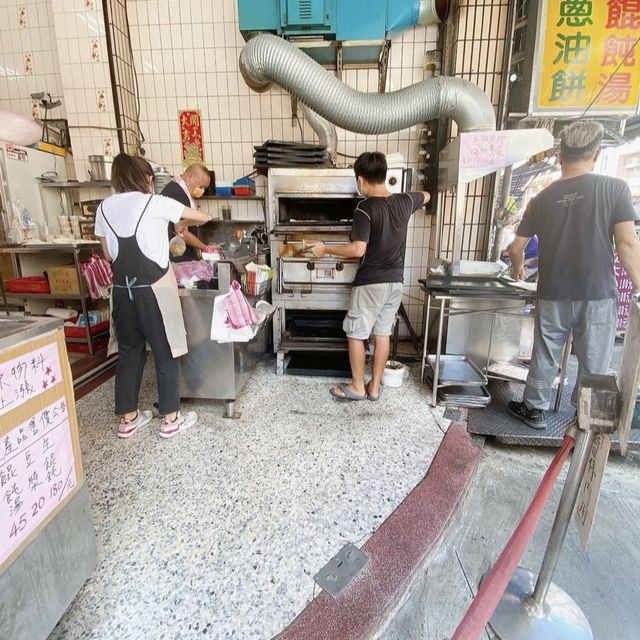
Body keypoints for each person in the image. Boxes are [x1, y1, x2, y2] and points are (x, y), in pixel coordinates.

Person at [508, 121, 640, 430]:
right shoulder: (614, 189)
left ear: (560, 156)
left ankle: (534, 409)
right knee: (594, 360)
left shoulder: (541, 200)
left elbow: (516, 248)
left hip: (553, 290)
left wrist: (519, 269)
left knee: (545, 351)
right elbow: (627, 243)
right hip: (597, 292)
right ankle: (585, 417)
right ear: (596, 153)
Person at [95, 153, 211, 438]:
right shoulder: (156, 202)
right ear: (147, 178)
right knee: (166, 351)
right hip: (156, 291)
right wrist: (187, 217)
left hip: (122, 291)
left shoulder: (103, 207)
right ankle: (170, 419)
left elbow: (108, 254)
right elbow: (201, 216)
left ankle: (128, 419)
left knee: (129, 352)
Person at [306, 152, 429, 401]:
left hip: (371, 282)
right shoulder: (405, 201)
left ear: (361, 180)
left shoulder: (365, 208)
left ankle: (357, 386)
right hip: (395, 281)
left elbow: (357, 250)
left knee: (356, 333)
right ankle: (374, 388)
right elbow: (426, 196)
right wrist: (419, 197)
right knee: (382, 333)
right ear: (385, 176)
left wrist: (325, 248)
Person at [161, 163, 211, 262]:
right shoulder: (178, 194)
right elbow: (183, 232)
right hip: (177, 254)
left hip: (178, 252)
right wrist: (205, 248)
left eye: (204, 188)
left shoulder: (177, 187)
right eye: (201, 186)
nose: (202, 190)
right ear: (189, 177)